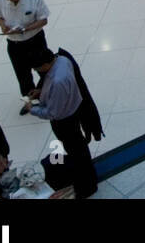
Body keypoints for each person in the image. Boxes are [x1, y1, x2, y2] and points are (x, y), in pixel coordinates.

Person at [22, 48, 100, 198]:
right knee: (80, 150)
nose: (37, 71)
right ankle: (89, 179)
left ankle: (87, 186)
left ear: (44, 65)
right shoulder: (63, 60)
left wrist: (32, 109)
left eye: (37, 68)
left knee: (76, 152)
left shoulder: (58, 81)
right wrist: (41, 92)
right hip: (73, 112)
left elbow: (53, 112)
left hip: (65, 122)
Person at [0, 0, 49, 99]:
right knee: (22, 74)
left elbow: (43, 20)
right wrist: (3, 26)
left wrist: (25, 29)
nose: (10, 0)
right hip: (14, 44)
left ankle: (47, 92)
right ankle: (29, 98)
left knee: (44, 69)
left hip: (34, 40)